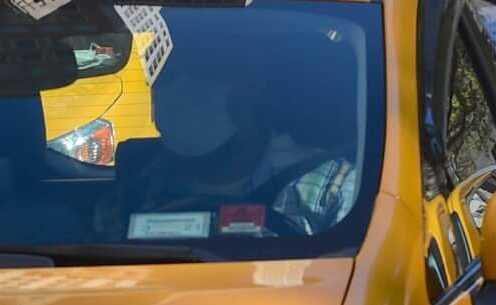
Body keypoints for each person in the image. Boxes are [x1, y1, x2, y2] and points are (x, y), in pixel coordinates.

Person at [129, 63, 359, 237]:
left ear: (252, 90)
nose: (180, 89)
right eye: (168, 73)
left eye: (203, 71)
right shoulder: (131, 189)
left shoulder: (333, 191)